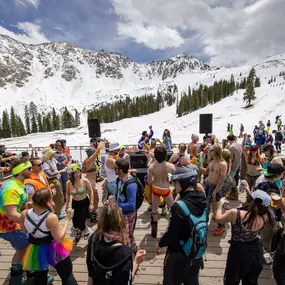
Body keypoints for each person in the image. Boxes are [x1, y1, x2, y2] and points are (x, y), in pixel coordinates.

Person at [156, 166, 208, 285]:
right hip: (196, 253)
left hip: (178, 255)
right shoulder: (203, 200)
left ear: (183, 182)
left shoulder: (178, 206)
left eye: (176, 182)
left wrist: (160, 243)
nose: (174, 185)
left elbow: (171, 234)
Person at [20, 188, 77, 285]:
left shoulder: (24, 214)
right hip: (54, 248)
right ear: (47, 201)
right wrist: (67, 220)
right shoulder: (51, 217)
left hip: (36, 249)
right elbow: (59, 239)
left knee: (40, 277)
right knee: (66, 273)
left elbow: (24, 230)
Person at [213, 190, 272, 285]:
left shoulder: (235, 213)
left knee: (231, 280)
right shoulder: (264, 217)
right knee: (251, 281)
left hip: (238, 252)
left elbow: (218, 218)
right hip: (256, 252)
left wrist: (220, 204)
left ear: (251, 200)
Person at [86, 203, 146, 285]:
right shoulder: (124, 253)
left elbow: (90, 272)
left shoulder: (93, 239)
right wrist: (136, 262)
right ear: (121, 223)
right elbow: (125, 282)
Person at [0, 159, 31, 285]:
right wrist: (33, 220)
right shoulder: (11, 189)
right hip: (8, 227)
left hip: (14, 224)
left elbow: (19, 205)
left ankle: (18, 273)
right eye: (28, 168)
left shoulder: (18, 183)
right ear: (20, 171)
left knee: (23, 248)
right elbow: (12, 215)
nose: (31, 170)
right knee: (23, 248)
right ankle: (17, 276)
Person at [147, 146, 175, 238]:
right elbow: (176, 178)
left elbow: (149, 181)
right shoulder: (170, 166)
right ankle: (173, 229)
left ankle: (154, 230)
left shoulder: (151, 167)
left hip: (156, 188)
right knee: (173, 210)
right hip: (165, 189)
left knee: (154, 210)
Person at [200, 144, 227, 236]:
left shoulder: (223, 164)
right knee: (205, 207)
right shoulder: (212, 161)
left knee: (216, 210)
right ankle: (204, 225)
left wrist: (215, 191)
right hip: (207, 185)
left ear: (215, 151)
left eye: (210, 150)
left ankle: (221, 226)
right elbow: (206, 171)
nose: (208, 152)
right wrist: (197, 166)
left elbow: (221, 180)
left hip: (215, 188)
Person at [112, 158, 138, 247]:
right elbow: (117, 193)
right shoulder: (119, 179)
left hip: (128, 214)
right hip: (120, 212)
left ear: (121, 170)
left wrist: (115, 205)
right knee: (121, 234)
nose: (114, 169)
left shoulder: (131, 185)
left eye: (115, 168)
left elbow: (132, 205)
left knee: (127, 237)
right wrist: (112, 200)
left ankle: (130, 253)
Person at [66, 164, 94, 243]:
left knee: (81, 222)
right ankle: (78, 233)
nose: (77, 174)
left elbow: (91, 191)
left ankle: (89, 232)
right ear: (71, 174)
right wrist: (67, 205)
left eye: (78, 172)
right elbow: (67, 194)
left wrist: (91, 203)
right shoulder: (68, 183)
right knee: (74, 222)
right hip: (75, 203)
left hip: (84, 203)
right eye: (75, 173)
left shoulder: (85, 181)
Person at [42, 147, 66, 219]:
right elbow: (50, 174)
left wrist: (67, 159)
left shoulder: (52, 160)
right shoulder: (45, 164)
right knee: (57, 199)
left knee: (57, 199)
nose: (53, 155)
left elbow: (60, 164)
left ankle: (56, 214)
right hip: (52, 181)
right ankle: (55, 215)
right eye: (52, 154)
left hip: (56, 180)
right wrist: (61, 171)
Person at [82, 143, 104, 222]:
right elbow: (96, 153)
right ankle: (93, 216)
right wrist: (99, 148)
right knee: (95, 200)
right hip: (90, 183)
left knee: (92, 199)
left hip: (90, 181)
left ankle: (89, 213)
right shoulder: (89, 161)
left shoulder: (87, 160)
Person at [226, 135, 243, 201]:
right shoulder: (239, 145)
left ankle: (233, 195)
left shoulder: (231, 147)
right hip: (238, 164)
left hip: (233, 166)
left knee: (232, 181)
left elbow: (231, 159)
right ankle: (235, 194)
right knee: (236, 178)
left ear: (229, 140)